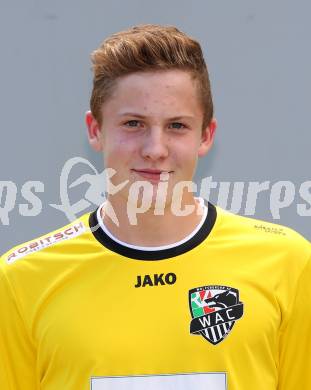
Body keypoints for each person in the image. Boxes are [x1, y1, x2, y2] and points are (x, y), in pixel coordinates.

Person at [0, 24, 310, 390]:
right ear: (95, 129)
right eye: (134, 123)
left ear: (206, 135)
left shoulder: (289, 263)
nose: (155, 149)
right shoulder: (20, 280)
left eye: (177, 125)